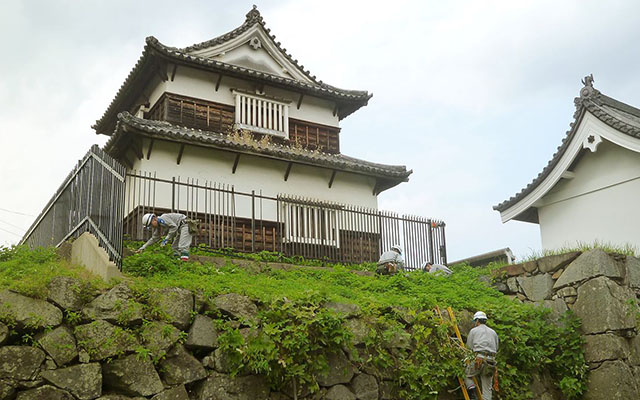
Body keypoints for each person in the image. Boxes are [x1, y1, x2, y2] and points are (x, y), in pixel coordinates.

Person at [465, 311, 499, 400]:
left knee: (466, 375)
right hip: (490, 362)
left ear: (477, 321)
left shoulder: (474, 331)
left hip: (479, 359)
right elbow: (496, 347)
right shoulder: (493, 332)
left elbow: (469, 346)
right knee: (487, 389)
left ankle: (473, 393)